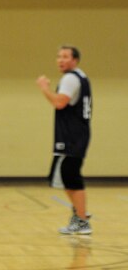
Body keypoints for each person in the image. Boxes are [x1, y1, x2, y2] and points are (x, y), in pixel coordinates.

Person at [36, 45, 92, 235]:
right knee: (66, 177)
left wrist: (44, 88)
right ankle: (81, 213)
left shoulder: (70, 78)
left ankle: (82, 219)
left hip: (70, 137)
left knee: (70, 177)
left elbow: (60, 102)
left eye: (65, 56)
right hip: (77, 135)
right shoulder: (81, 77)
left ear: (75, 60)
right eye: (58, 56)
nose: (60, 60)